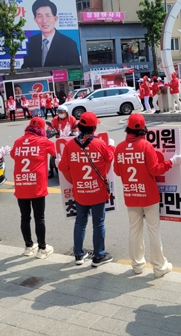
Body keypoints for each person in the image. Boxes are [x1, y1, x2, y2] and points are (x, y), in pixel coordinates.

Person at [113, 114, 181, 278]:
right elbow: (155, 170)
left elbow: (117, 171)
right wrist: (172, 161)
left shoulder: (119, 148)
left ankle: (137, 265)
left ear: (128, 128)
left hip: (131, 194)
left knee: (134, 230)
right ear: (143, 129)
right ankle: (159, 266)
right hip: (149, 195)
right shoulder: (146, 146)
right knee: (154, 230)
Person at [58, 112, 115, 267]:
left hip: (80, 191)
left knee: (80, 221)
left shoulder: (70, 145)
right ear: (94, 128)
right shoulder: (100, 144)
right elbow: (109, 157)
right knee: (98, 223)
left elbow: (62, 167)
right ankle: (98, 256)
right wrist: (111, 145)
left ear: (79, 127)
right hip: (97, 191)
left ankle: (78, 254)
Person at [11, 117, 56, 259]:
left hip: (21, 184)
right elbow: (56, 152)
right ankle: (42, 248)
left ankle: (28, 246)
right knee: (39, 218)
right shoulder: (44, 141)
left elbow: (13, 155)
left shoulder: (18, 141)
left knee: (25, 217)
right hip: (36, 185)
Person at [21, 0, 80, 68]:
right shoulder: (31, 42)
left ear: (55, 18)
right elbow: (25, 67)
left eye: (48, 15)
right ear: (35, 19)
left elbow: (74, 69)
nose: (44, 20)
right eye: (40, 16)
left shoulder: (69, 44)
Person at [49, 105, 78, 178]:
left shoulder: (72, 118)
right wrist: (51, 131)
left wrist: (75, 131)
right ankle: (51, 170)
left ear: (66, 112)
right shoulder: (55, 119)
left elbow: (76, 126)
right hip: (59, 140)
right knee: (53, 153)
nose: (61, 114)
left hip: (70, 139)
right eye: (59, 112)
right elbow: (50, 127)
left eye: (62, 112)